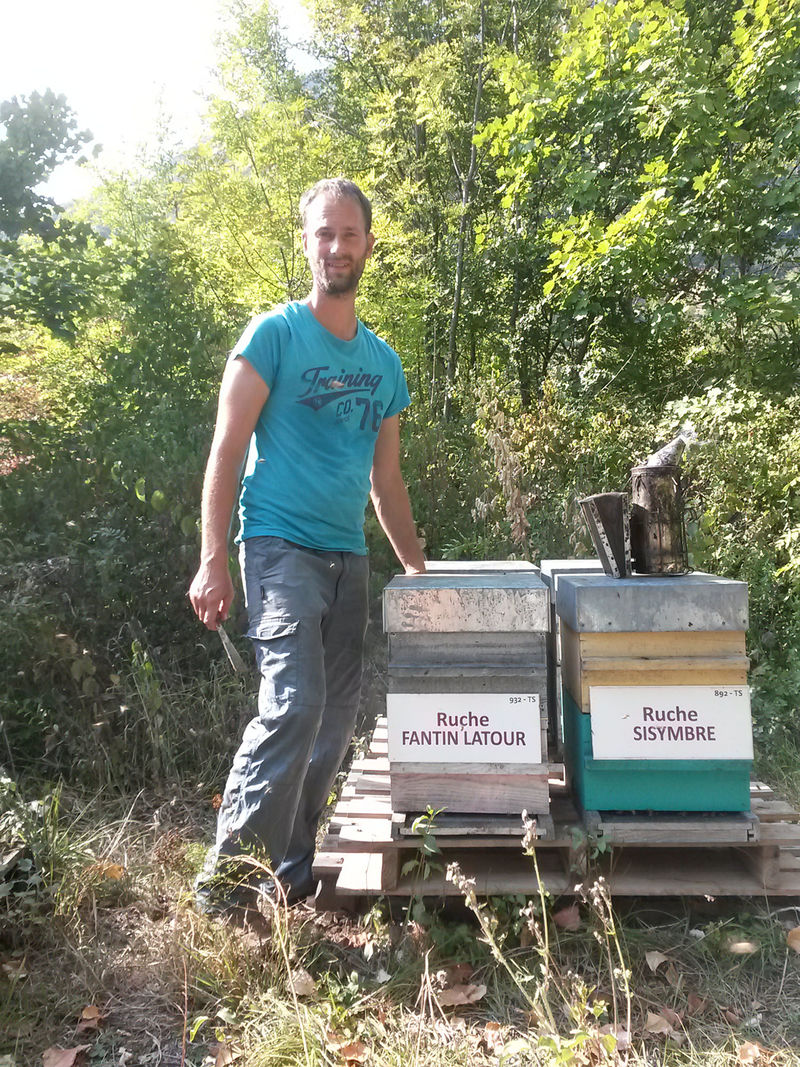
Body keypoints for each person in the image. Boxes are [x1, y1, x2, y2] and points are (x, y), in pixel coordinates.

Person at [189, 177, 425, 915]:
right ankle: (222, 886)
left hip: (347, 560)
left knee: (334, 715)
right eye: (324, 233)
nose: (336, 246)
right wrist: (212, 555)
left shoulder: (384, 365)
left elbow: (386, 483)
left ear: (369, 245)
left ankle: (288, 872)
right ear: (308, 243)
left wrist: (421, 573)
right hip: (278, 548)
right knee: (295, 703)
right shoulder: (275, 336)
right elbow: (226, 450)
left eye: (349, 233)